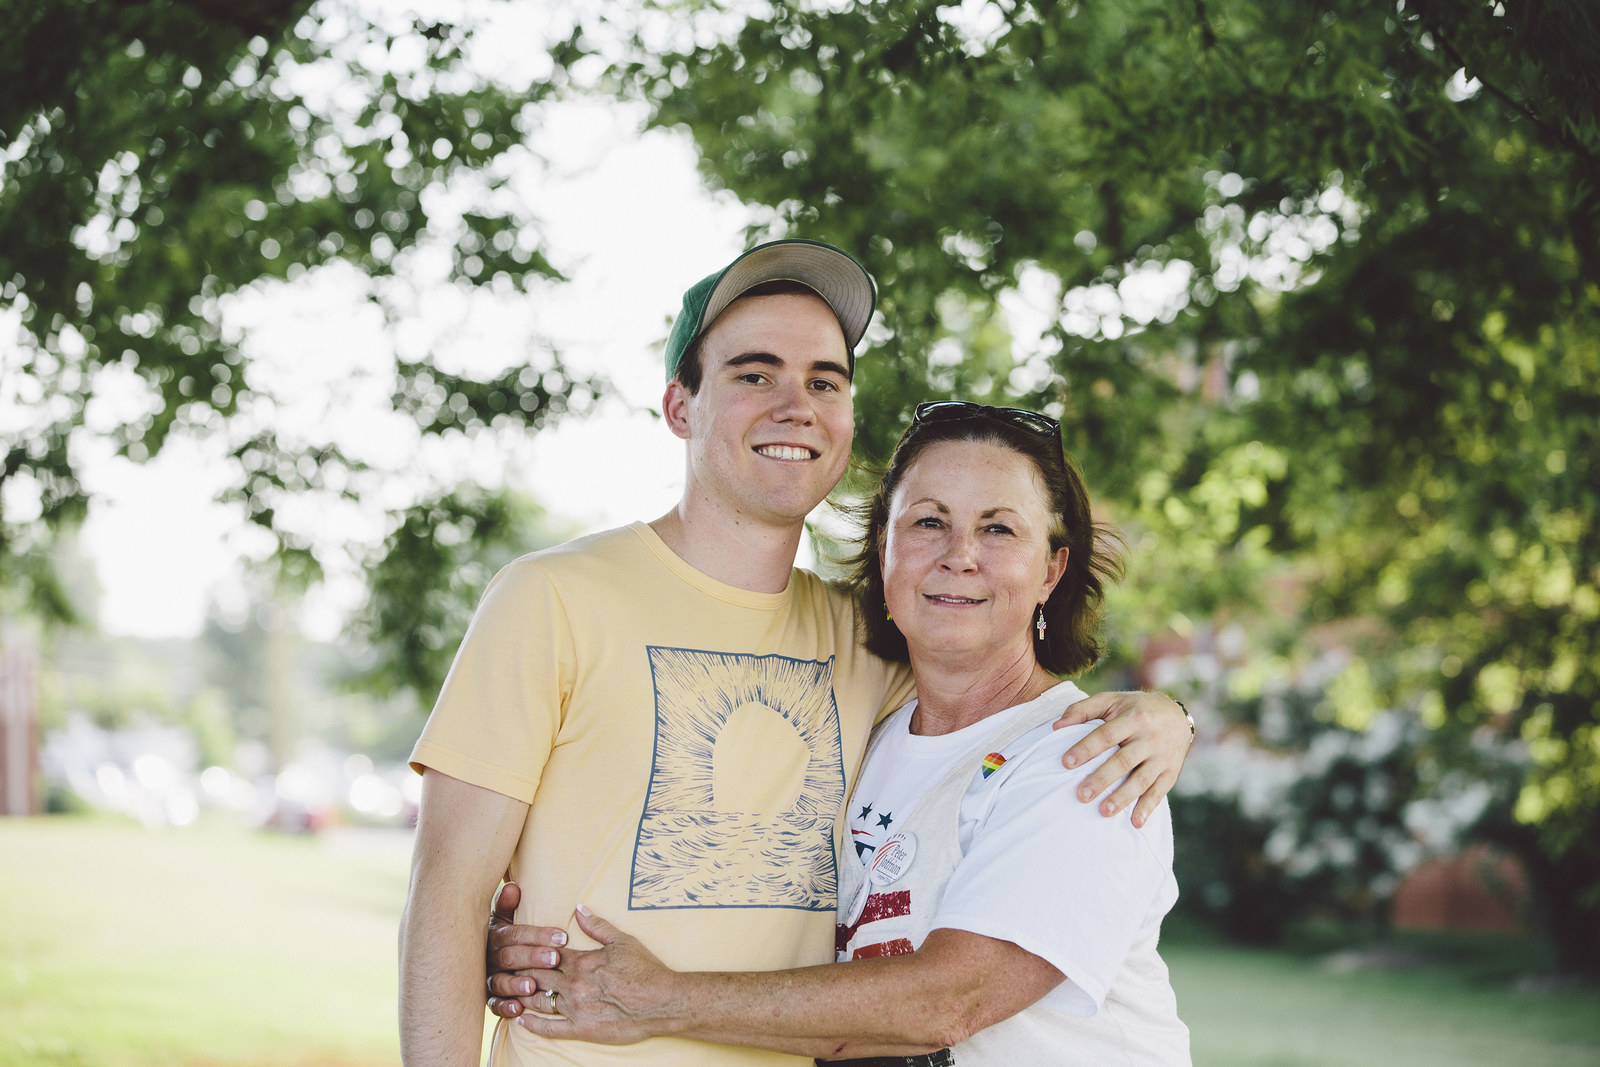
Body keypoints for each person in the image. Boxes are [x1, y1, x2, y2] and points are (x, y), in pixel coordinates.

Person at [399, 240, 1193, 1067]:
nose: (796, 405)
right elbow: (447, 895)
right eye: (753, 373)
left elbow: (1004, 713)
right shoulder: (554, 597)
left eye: (824, 380)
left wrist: (1171, 717)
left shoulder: (873, 647)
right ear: (680, 406)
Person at [496, 401, 1189, 1064]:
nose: (960, 554)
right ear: (885, 548)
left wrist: (657, 998)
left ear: (1051, 570)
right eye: (928, 522)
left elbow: (950, 1000)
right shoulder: (864, 731)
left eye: (999, 529)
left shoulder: (1085, 761)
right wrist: (531, 933)